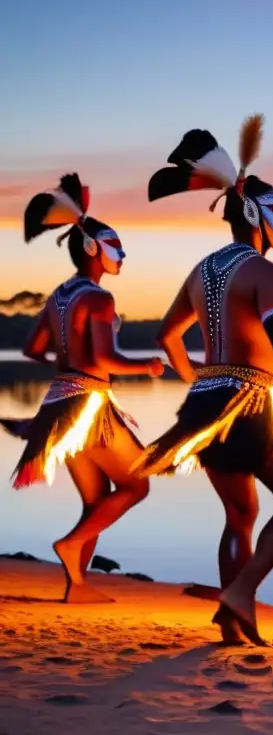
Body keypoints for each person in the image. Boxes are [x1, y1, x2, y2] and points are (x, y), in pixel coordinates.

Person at [131, 115, 273, 645]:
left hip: (204, 406)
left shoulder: (201, 270)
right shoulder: (266, 272)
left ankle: (234, 626)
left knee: (239, 515)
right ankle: (240, 593)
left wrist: (199, 384)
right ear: (253, 212)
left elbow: (166, 336)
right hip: (252, 404)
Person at [1, 174, 163, 603]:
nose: (122, 255)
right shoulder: (98, 298)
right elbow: (106, 360)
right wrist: (145, 365)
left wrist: (68, 363)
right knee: (137, 485)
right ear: (92, 248)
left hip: (58, 407)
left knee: (97, 499)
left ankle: (78, 587)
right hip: (89, 407)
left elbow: (33, 349)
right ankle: (71, 548)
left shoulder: (58, 296)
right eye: (116, 246)